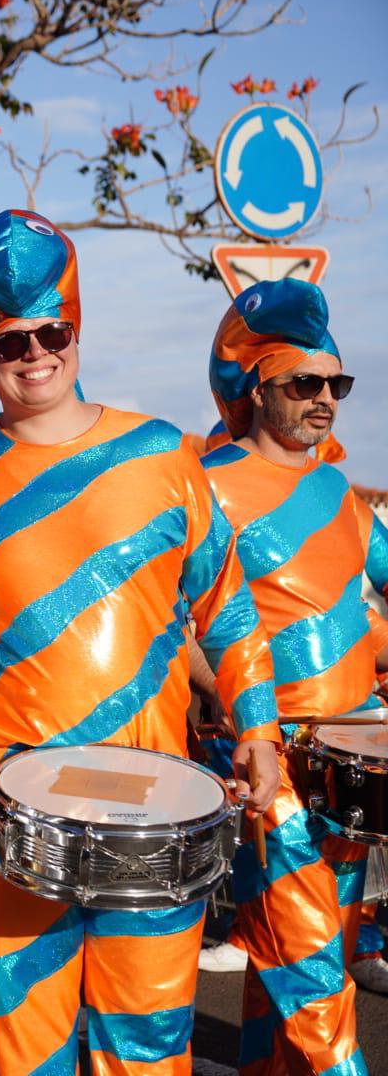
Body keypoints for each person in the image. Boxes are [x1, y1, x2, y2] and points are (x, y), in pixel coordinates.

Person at [0, 209, 282, 1076]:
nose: (35, 354)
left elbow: (225, 608)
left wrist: (258, 727)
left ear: (77, 328)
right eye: (10, 341)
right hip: (2, 810)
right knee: (30, 1053)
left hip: (154, 807)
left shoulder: (163, 456)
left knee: (146, 1051)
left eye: (54, 332)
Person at [198, 278, 385, 1074]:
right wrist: (233, 710)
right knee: (313, 974)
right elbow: (172, 624)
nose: (325, 400)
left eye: (336, 385)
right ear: (255, 388)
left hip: (354, 762)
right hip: (267, 760)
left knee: (306, 954)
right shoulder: (205, 485)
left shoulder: (339, 490)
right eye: (304, 384)